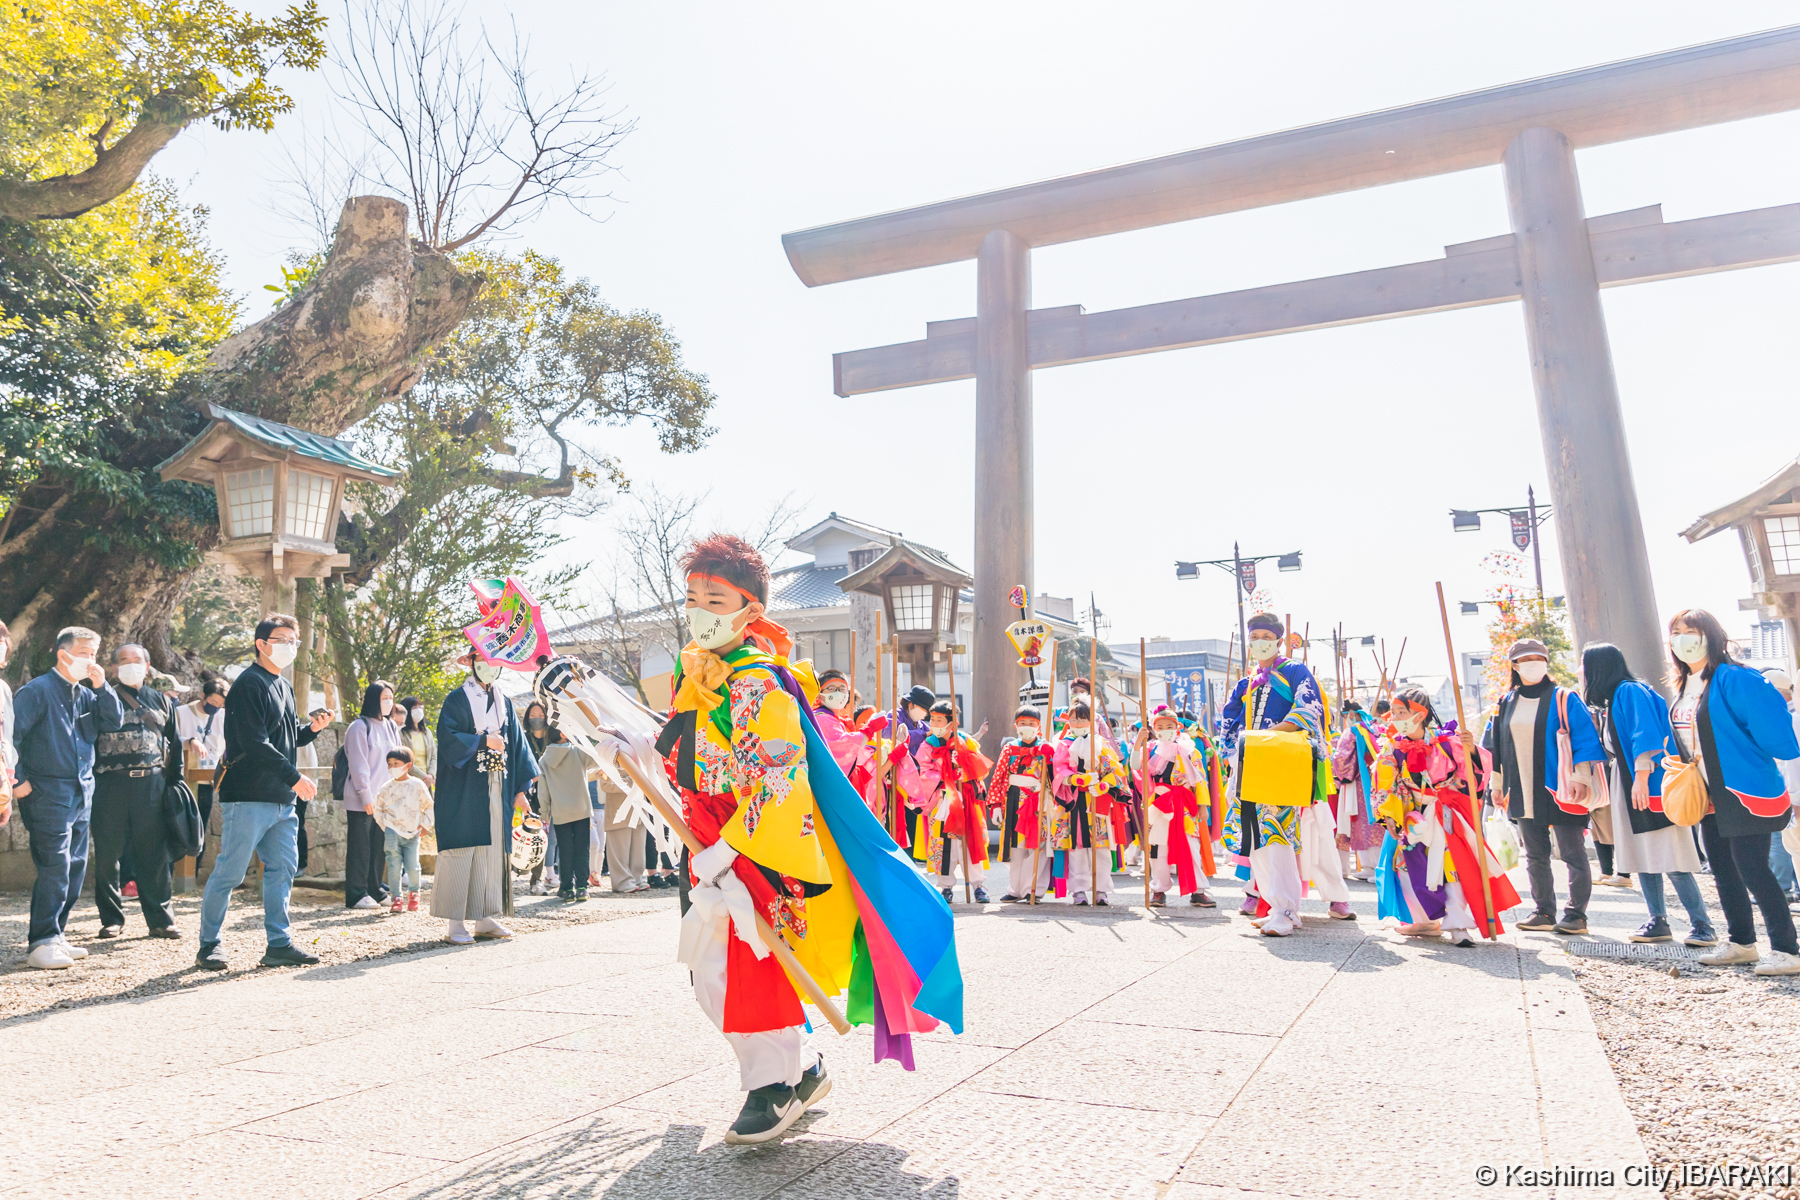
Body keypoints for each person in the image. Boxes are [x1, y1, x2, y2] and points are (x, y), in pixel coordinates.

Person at [1665, 610, 1800, 975]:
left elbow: (1778, 738)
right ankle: (1742, 943)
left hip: (1744, 789)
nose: (1682, 638)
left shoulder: (1737, 678)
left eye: (1690, 631)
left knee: (1753, 868)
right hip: (1707, 794)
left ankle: (1787, 949)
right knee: (1723, 870)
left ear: (1710, 635)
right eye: (1676, 632)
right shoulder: (1684, 683)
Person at [197, 615, 328, 970]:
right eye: (281, 639)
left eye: (294, 640)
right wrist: (294, 777)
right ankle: (209, 944)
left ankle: (279, 943)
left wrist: (311, 730)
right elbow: (255, 743)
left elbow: (284, 738)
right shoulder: (247, 685)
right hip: (248, 795)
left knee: (282, 870)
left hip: (280, 799)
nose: (289, 646)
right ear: (261, 643)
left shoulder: (282, 685)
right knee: (230, 872)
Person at [1581, 643, 1717, 947]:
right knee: (1643, 855)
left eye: (1584, 665)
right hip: (1632, 779)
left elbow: (1645, 734)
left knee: (1671, 856)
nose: (1583, 672)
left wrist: (1641, 778)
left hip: (1646, 781)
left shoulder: (1628, 691)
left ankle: (1702, 925)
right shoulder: (1623, 693)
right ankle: (1658, 920)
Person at [1371, 687, 1521, 946]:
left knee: (1451, 868)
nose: (1394, 718)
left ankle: (1458, 925)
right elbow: (1384, 784)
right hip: (1412, 815)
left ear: (1419, 715)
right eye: (1393, 713)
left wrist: (1471, 749)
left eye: (1400, 712)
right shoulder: (1391, 747)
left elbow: (1472, 778)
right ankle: (1425, 920)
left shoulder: (1447, 742)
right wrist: (1390, 817)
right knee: (1406, 867)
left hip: (1444, 813)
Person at [13, 626, 124, 969]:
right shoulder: (36, 691)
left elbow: (114, 721)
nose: (91, 660)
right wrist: (18, 782)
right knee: (55, 866)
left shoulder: (87, 693)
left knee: (76, 866)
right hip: (47, 791)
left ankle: (57, 934)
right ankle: (41, 941)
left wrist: (102, 685)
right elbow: (10, 738)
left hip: (82, 790)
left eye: (94, 653)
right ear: (63, 654)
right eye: (85, 653)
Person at [1220, 613, 1332, 937]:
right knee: (1254, 836)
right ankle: (1273, 904)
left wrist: (1270, 737)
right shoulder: (1246, 682)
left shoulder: (1295, 671)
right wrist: (1236, 751)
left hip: (1281, 761)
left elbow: (1310, 709)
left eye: (1266, 636)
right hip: (1248, 763)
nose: (1259, 642)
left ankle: (1286, 908)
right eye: (1254, 636)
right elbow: (1229, 722)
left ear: (1279, 641)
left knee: (1279, 834)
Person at [1483, 637, 1604, 936]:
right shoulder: (1505, 702)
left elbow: (1584, 738)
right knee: (1535, 855)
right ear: (1514, 665)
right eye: (1525, 659)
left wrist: (1581, 777)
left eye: (1537, 657)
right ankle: (1544, 910)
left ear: (1546, 661)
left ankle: (1576, 915)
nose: (1532, 663)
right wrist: (1496, 785)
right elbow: (1495, 748)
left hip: (1562, 787)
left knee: (1572, 853)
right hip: (1522, 789)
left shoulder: (1565, 697)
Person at [434, 650, 539, 945]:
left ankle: (485, 917)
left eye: (494, 662)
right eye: (482, 661)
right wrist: (482, 740)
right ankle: (456, 922)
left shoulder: (504, 701)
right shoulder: (457, 699)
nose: (489, 667)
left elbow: (517, 745)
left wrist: (520, 790)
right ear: (470, 663)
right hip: (465, 786)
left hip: (498, 784)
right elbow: (447, 737)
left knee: (493, 849)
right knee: (463, 847)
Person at [91, 643, 181, 938]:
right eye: (124, 661)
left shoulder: (161, 699)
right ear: (114, 668)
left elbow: (174, 743)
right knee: (107, 855)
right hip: (110, 784)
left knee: (154, 854)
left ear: (147, 665)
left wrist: (174, 783)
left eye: (137, 660)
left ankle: (160, 919)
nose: (131, 665)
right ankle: (111, 919)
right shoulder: (101, 698)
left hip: (152, 784)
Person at [897, 698, 993, 903]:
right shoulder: (927, 745)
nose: (934, 724)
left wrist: (964, 769)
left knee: (971, 841)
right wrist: (945, 777)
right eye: (932, 719)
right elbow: (923, 771)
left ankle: (978, 885)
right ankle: (946, 886)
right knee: (943, 844)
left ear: (952, 722)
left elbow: (980, 769)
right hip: (941, 800)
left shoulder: (966, 741)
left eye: (939, 720)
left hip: (965, 798)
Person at [1131, 705, 1219, 908]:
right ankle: (1159, 889)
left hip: (1186, 805)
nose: (1165, 729)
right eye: (1160, 726)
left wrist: (1203, 805)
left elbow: (1200, 780)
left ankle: (1198, 890)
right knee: (1158, 850)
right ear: (1154, 729)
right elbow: (1136, 766)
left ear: (1177, 727)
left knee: (1191, 848)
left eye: (1169, 725)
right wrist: (1138, 743)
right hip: (1160, 804)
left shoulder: (1190, 750)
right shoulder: (1150, 748)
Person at [1051, 701, 1126, 905]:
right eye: (1073, 719)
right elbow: (1058, 770)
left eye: (1082, 719)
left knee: (1101, 848)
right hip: (1073, 802)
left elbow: (1116, 771)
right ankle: (1079, 890)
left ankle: (1101, 889)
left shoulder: (1102, 743)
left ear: (1090, 721)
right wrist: (1074, 779)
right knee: (1077, 848)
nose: (1077, 723)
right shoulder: (1064, 744)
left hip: (1097, 800)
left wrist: (1104, 784)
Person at [343, 681, 401, 909]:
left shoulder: (391, 726)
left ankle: (375, 889)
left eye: (391, 698)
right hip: (362, 800)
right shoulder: (359, 727)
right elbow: (359, 765)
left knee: (379, 847)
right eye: (384, 698)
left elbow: (397, 761)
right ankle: (356, 893)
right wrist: (366, 796)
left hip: (385, 799)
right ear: (373, 699)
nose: (389, 702)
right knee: (360, 846)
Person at [988, 705, 1055, 902]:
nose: (1027, 726)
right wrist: (995, 805)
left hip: (1038, 801)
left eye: (1031, 723)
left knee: (1037, 847)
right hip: (1014, 800)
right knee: (1016, 846)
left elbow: (1053, 777)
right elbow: (999, 776)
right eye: (1023, 723)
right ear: (1016, 725)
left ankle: (1033, 889)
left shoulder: (1045, 748)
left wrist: (1049, 759)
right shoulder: (1010, 748)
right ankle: (1014, 889)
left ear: (1039, 726)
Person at [173, 679, 228, 873]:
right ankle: (174, 869)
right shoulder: (181, 713)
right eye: (213, 703)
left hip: (208, 778)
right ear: (203, 696)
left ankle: (193, 871)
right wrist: (190, 741)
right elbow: (169, 741)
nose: (216, 708)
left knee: (200, 825)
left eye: (220, 705)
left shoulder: (222, 716)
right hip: (182, 779)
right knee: (177, 824)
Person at [537, 726, 595, 902]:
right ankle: (582, 888)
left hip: (560, 811)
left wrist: (544, 813)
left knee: (565, 850)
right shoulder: (577, 752)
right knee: (582, 849)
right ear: (563, 734)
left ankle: (567, 888)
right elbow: (595, 757)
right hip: (582, 808)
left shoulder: (544, 760)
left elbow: (543, 791)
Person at [371, 745, 433, 912]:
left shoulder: (417, 785)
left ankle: (414, 893)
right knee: (393, 866)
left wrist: (426, 824)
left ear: (408, 765)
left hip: (413, 832)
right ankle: (396, 898)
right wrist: (385, 825)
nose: (392, 768)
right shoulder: (386, 787)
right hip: (391, 831)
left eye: (396, 763)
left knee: (413, 866)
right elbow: (378, 808)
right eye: (389, 764)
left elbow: (428, 805)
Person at [1761, 670, 1800, 904]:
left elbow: (1791, 763)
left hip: (1793, 801)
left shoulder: (1788, 720)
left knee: (1795, 851)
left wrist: (1794, 800)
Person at [522, 700, 559, 895]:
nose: (536, 719)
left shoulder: (553, 738)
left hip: (555, 791)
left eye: (540, 715)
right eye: (532, 716)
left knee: (554, 837)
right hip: (533, 793)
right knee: (537, 836)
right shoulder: (524, 739)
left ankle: (554, 874)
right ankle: (535, 880)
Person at [397, 694, 437, 788]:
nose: (418, 710)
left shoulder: (427, 732)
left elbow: (434, 756)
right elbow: (404, 759)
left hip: (427, 783)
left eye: (420, 707)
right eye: (415, 708)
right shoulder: (401, 734)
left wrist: (431, 775)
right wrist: (424, 777)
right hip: (409, 782)